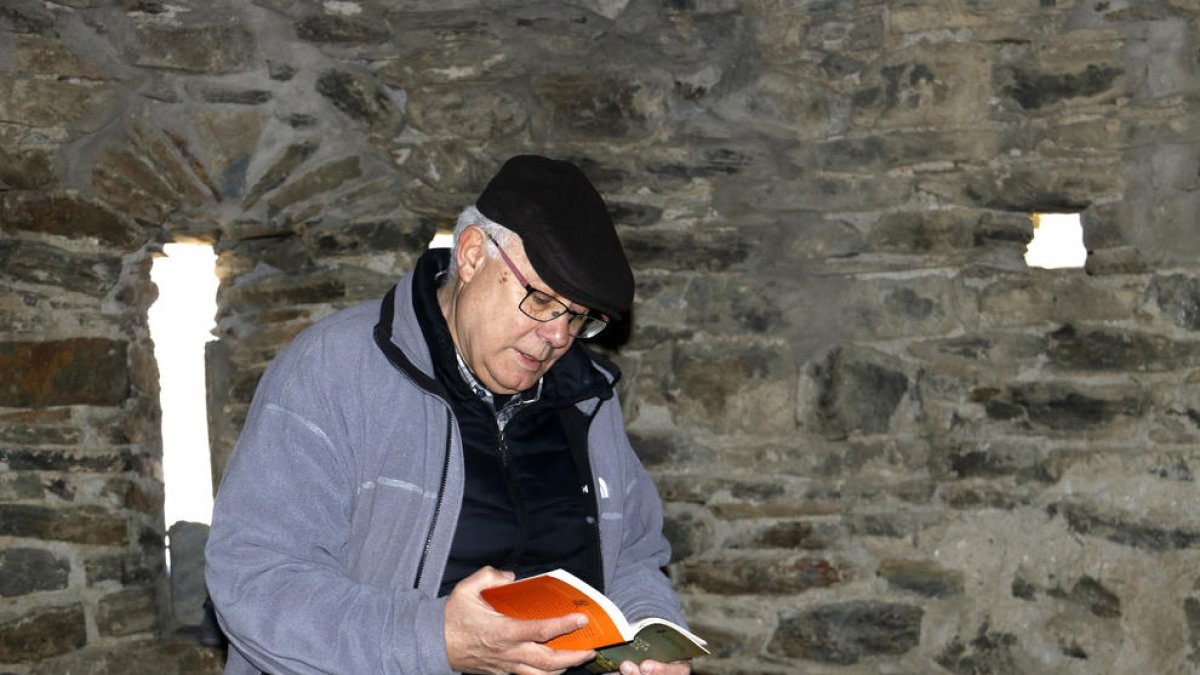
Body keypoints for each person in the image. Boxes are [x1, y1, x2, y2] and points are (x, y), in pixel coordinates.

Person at [205, 154, 694, 675]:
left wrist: (646, 633)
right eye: (542, 300)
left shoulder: (588, 398)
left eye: (578, 318)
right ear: (471, 255)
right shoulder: (333, 370)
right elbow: (256, 583)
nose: (557, 336)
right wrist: (435, 639)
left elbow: (634, 557)